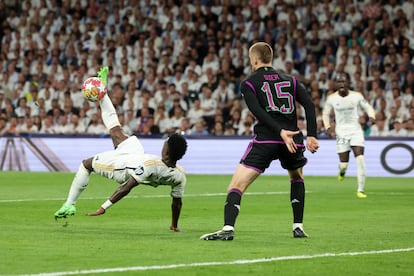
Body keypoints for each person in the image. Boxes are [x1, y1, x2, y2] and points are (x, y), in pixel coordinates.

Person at [200, 42, 319, 241]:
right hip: (293, 140)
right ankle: (298, 226)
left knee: (237, 185)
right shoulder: (291, 80)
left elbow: (257, 111)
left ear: (254, 59)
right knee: (296, 177)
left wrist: (279, 131)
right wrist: (312, 135)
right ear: (270, 59)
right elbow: (309, 104)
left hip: (266, 140)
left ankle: (228, 229)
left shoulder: (249, 82)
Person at [54, 67, 188, 232]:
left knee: (86, 164)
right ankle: (103, 90)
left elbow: (126, 187)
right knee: (115, 129)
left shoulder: (151, 166)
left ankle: (69, 205)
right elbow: (177, 202)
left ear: (166, 151)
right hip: (136, 153)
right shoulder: (180, 175)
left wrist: (103, 207)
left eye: (165, 144)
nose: (163, 145)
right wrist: (174, 225)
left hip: (122, 166)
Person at [322, 72, 375, 198]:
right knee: (344, 164)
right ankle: (342, 171)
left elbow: (368, 108)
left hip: (356, 131)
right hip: (341, 133)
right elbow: (325, 114)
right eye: (339, 81)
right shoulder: (332, 98)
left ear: (348, 83)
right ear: (335, 84)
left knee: (360, 159)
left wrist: (372, 117)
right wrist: (327, 127)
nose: (341, 84)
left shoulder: (356, 96)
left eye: (344, 81)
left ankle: (360, 190)